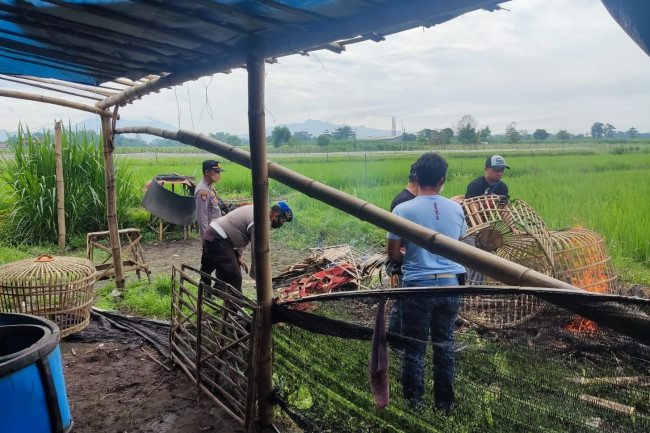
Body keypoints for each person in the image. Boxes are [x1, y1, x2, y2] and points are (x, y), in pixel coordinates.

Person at [386, 152, 467, 415]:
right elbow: (460, 246)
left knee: (415, 348)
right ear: (443, 179)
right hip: (450, 286)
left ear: (416, 177)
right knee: (444, 345)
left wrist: (413, 255)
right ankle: (445, 408)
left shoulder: (402, 210)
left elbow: (393, 254)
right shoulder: (456, 208)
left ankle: (414, 408)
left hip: (418, 287)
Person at [200, 201, 293, 291]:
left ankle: (207, 290)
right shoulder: (261, 220)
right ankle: (233, 306)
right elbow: (257, 251)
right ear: (276, 216)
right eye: (282, 221)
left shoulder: (259, 210)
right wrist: (258, 277)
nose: (281, 225)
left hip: (214, 233)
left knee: (209, 266)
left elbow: (242, 233)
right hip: (218, 237)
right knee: (234, 276)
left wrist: (238, 255)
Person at [387, 164, 418, 335]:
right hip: (402, 262)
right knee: (400, 304)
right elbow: (396, 244)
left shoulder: (413, 200)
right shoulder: (403, 202)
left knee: (405, 304)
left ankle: (401, 338)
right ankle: (395, 339)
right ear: (417, 178)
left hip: (411, 259)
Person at [194, 160, 229, 240]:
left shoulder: (209, 186)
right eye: (216, 172)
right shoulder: (203, 191)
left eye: (219, 172)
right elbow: (202, 217)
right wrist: (206, 238)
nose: (219, 175)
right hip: (211, 233)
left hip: (216, 229)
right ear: (207, 172)